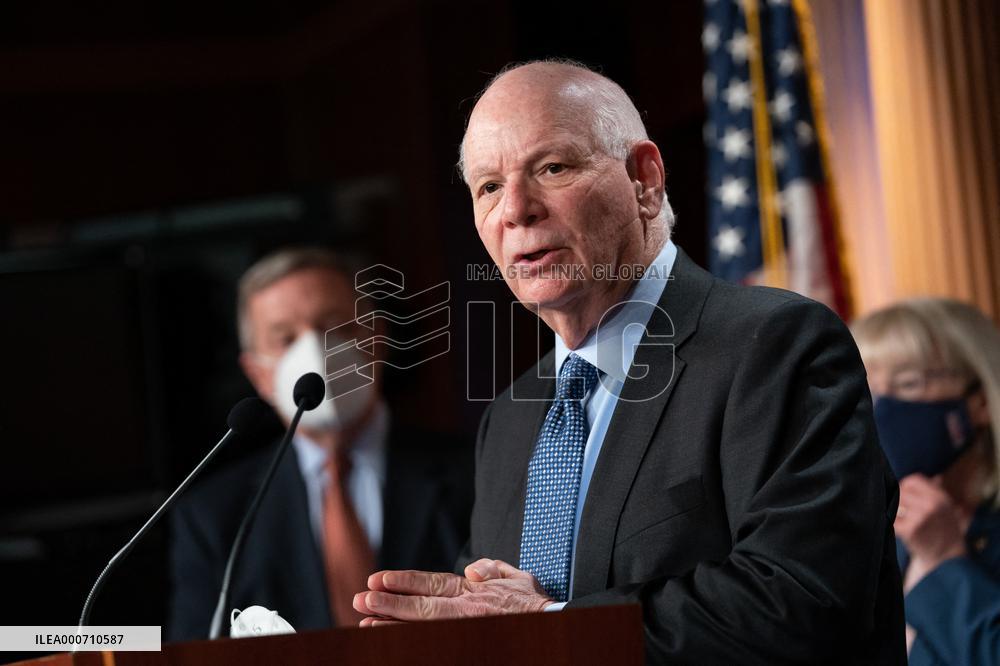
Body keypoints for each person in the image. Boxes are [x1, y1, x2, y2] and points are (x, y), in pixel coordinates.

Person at [351, 60, 905, 663]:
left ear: (645, 180)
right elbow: (492, 621)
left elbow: (800, 601)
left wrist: (549, 625)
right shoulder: (509, 419)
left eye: (552, 168)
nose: (515, 209)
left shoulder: (774, 347)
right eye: (488, 187)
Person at [168, 247, 473, 640]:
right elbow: (190, 652)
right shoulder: (214, 517)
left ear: (377, 339)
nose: (315, 351)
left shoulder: (477, 473)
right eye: (285, 338)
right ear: (258, 374)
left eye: (336, 327)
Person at [852, 297, 1000, 664]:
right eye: (868, 391)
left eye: (907, 384)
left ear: (980, 401)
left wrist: (944, 559)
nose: (882, 410)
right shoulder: (875, 530)